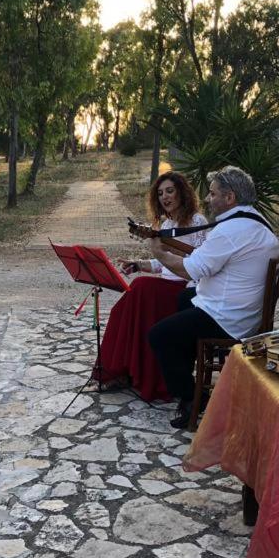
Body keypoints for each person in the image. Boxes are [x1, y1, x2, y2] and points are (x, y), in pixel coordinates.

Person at [147, 166, 279, 428]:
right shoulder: (256, 222)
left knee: (159, 335)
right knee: (185, 298)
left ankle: (194, 397)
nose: (208, 199)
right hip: (243, 308)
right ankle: (190, 384)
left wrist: (160, 253)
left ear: (229, 197)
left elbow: (191, 268)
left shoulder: (231, 231)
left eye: (212, 193)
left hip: (228, 317)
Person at [95, 172, 208, 401]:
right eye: (160, 193)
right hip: (164, 286)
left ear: (182, 192)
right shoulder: (166, 224)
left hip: (187, 289)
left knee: (140, 287)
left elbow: (205, 260)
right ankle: (120, 370)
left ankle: (136, 372)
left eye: (169, 191)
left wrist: (173, 253)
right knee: (122, 307)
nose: (165, 197)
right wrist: (138, 265)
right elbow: (162, 263)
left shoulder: (198, 222)